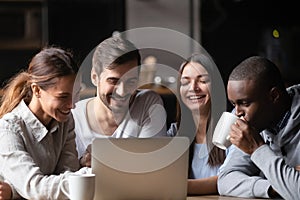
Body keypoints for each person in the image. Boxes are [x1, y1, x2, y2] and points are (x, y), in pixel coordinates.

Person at [0, 46, 84, 199]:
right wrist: (87, 177)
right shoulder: (7, 129)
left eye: (75, 95)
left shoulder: (65, 120)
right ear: (37, 90)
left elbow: (68, 172)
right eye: (63, 97)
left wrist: (14, 191)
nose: (72, 105)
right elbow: (35, 188)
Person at [72, 35, 167, 167]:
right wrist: (82, 162)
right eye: (114, 81)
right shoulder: (73, 116)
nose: (122, 92)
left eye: (131, 82)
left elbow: (151, 166)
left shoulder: (148, 103)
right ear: (95, 77)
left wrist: (98, 163)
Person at [218, 56, 300, 199]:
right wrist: (275, 187)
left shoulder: (254, 129)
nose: (237, 113)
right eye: (233, 104)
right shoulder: (255, 124)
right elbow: (225, 180)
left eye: (244, 103)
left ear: (274, 96)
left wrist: (257, 149)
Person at [167, 53, 227, 195]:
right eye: (185, 82)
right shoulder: (174, 132)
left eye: (203, 81)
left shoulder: (231, 129)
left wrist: (176, 186)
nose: (193, 88)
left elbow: (230, 180)